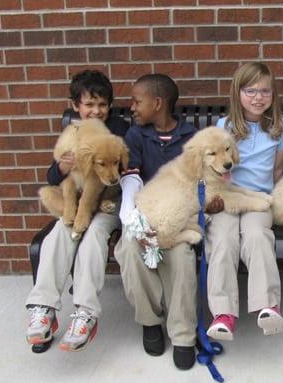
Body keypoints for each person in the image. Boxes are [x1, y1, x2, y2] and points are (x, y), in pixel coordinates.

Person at [25, 69, 128, 352]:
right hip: (74, 203)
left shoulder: (118, 130)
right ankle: (43, 308)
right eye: (89, 104)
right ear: (76, 106)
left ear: (110, 105)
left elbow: (120, 173)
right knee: (59, 231)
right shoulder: (72, 131)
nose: (96, 111)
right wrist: (62, 167)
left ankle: (85, 313)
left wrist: (91, 205)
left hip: (107, 204)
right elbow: (52, 177)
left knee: (94, 235)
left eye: (102, 104)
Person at [114, 74, 198, 370]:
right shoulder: (136, 136)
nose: (132, 108)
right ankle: (150, 321)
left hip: (180, 215)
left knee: (181, 258)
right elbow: (132, 176)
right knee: (130, 248)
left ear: (158, 102)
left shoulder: (191, 137)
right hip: (144, 211)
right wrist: (130, 215)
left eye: (137, 102)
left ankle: (184, 334)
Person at [206, 62, 283, 341]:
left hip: (258, 199)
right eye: (250, 90)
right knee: (223, 240)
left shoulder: (280, 127)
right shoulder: (224, 126)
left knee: (256, 235)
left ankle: (267, 306)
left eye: (264, 91)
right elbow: (216, 167)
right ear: (237, 93)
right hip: (227, 198)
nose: (258, 97)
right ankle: (223, 314)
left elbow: (277, 171)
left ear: (273, 94)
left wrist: (276, 201)